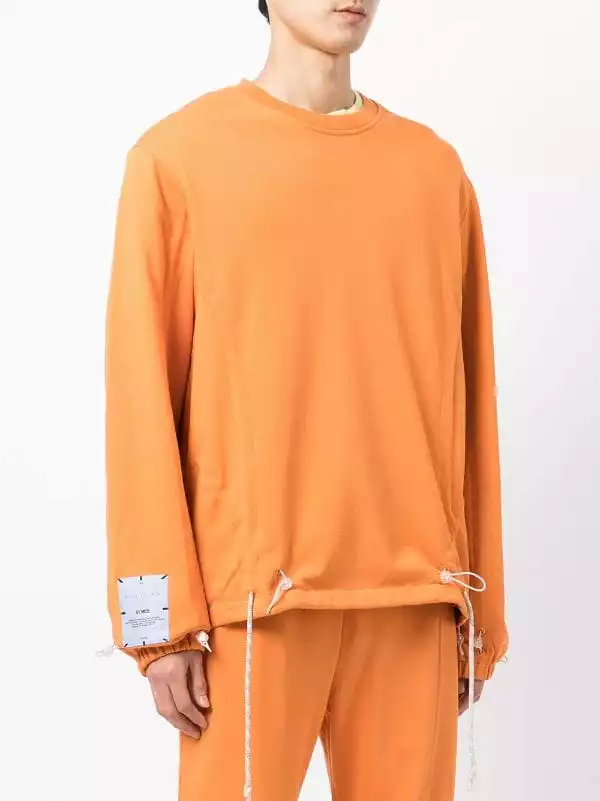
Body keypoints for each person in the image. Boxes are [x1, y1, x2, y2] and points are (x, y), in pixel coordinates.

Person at [102, 1, 509, 799]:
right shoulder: (178, 160)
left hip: (415, 600)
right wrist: (158, 626)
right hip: (249, 609)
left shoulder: (434, 172)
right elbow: (141, 400)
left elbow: (472, 403)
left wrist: (480, 619)